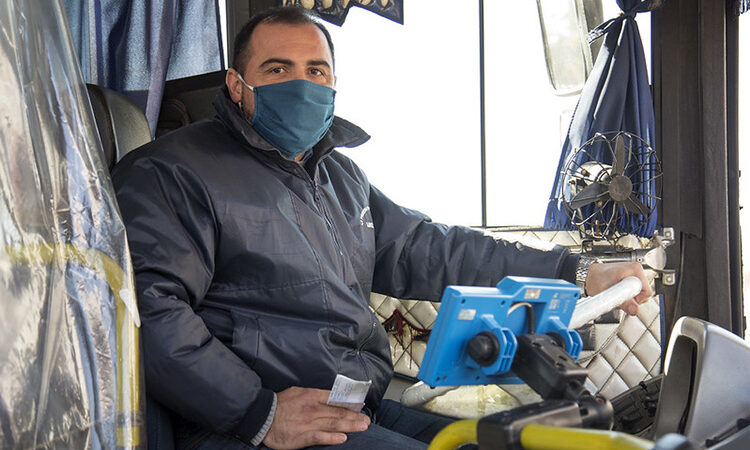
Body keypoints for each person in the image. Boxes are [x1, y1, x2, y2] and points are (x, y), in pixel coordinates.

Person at [112, 7, 652, 450]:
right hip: (246, 425)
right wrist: (260, 411)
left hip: (350, 407)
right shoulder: (171, 172)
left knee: (510, 444)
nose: (301, 84)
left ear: (333, 84)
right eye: (277, 70)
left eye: (315, 71)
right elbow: (150, 310)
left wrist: (576, 270)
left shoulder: (340, 177)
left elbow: (435, 250)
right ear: (236, 85)